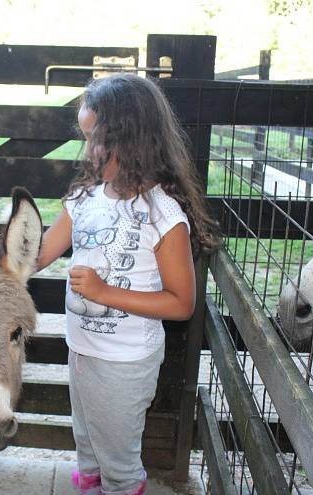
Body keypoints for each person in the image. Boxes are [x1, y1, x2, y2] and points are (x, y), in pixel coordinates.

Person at [37, 73, 218, 495]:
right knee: (87, 447)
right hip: (81, 351)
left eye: (94, 138)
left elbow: (181, 303)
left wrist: (104, 293)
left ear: (130, 140)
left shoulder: (162, 215)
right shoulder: (83, 200)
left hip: (125, 364)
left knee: (118, 461)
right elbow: (39, 253)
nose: (88, 151)